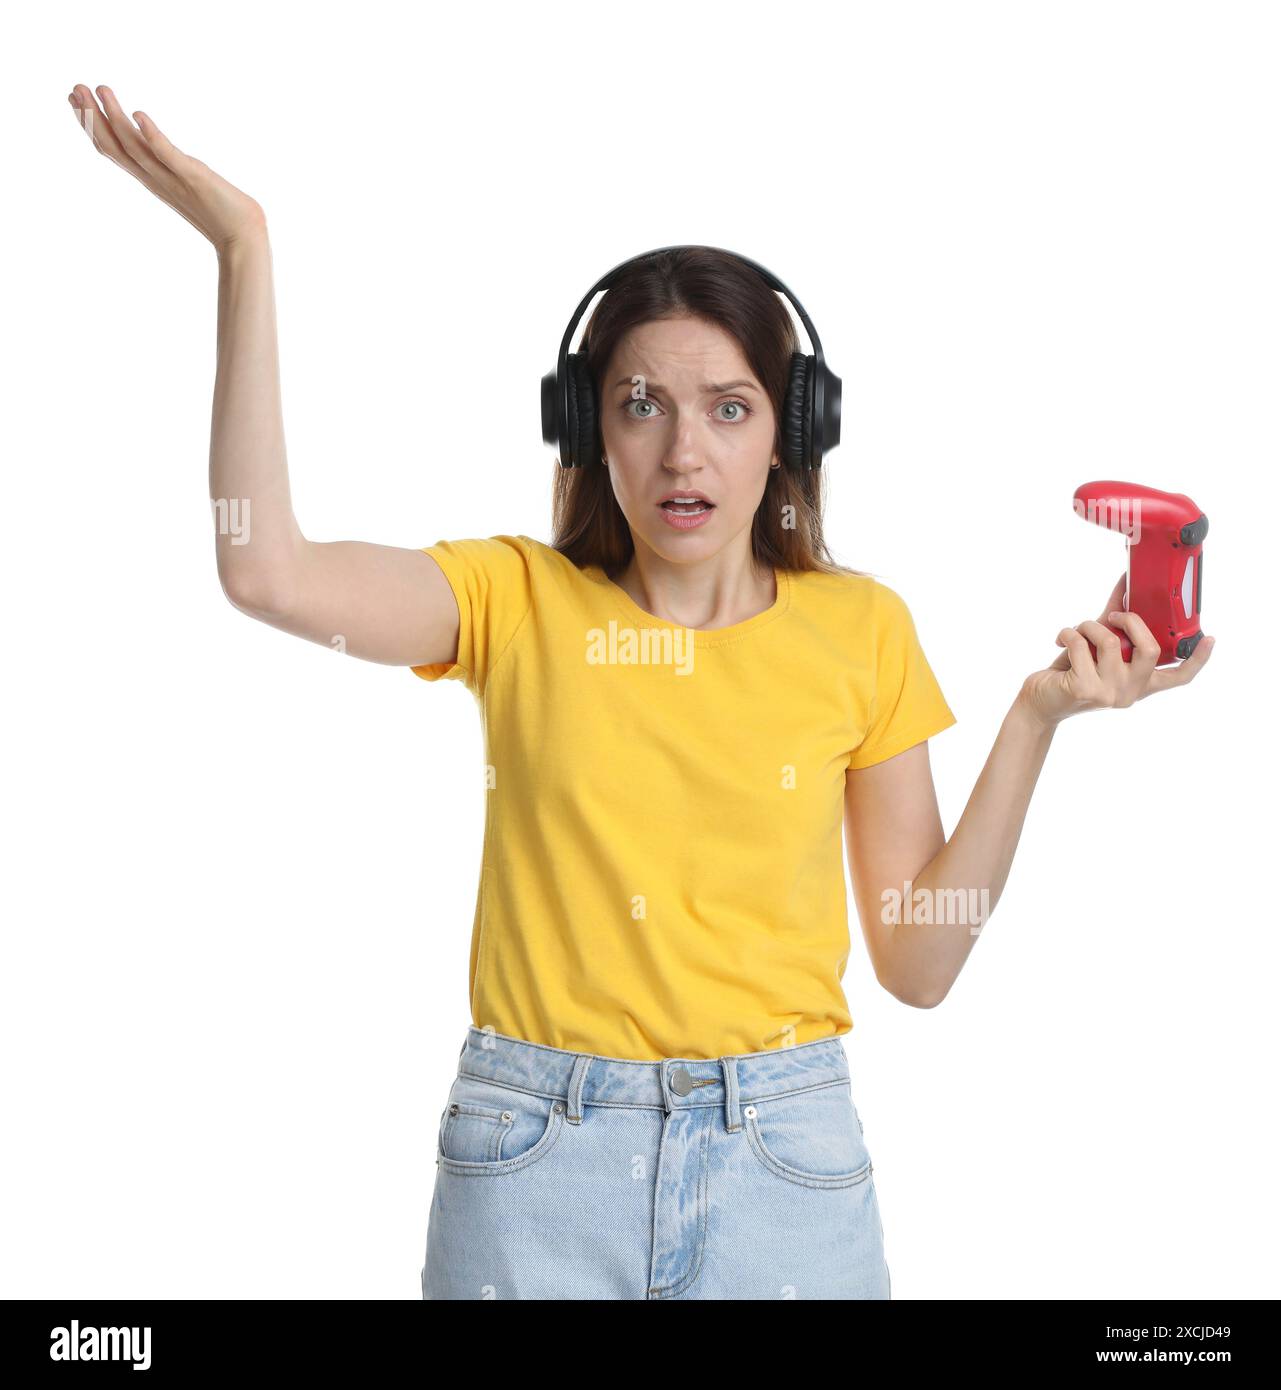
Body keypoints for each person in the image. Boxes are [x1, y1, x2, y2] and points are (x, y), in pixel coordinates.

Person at [68, 83, 1216, 1301]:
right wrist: (243, 245)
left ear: (790, 430)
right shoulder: (512, 602)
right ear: (587, 430)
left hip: (787, 1163)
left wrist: (1037, 716)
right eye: (640, 406)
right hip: (533, 1160)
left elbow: (920, 967)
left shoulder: (861, 629)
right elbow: (266, 569)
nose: (685, 454)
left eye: (730, 409)